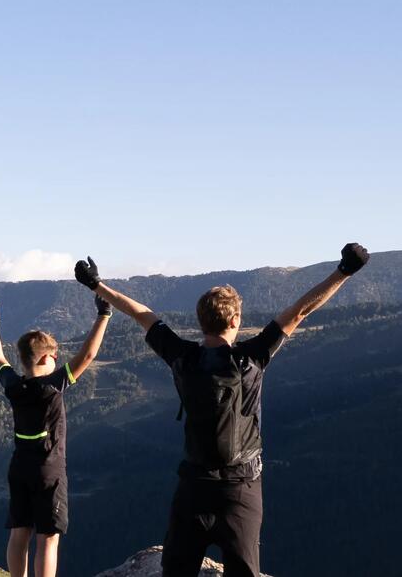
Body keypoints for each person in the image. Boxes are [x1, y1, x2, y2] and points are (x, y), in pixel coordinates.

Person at [75, 246, 370, 577]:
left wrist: (96, 285)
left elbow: (142, 314)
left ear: (202, 322)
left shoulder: (182, 357)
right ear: (235, 320)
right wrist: (344, 272)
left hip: (193, 485)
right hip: (240, 486)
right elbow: (300, 310)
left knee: (176, 571)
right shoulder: (251, 358)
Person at [0, 292, 111, 577]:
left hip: (19, 468)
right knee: (48, 538)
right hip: (49, 471)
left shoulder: (13, 385)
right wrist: (104, 315)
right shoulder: (53, 386)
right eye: (55, 356)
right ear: (45, 357)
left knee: (19, 533)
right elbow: (88, 355)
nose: (58, 360)